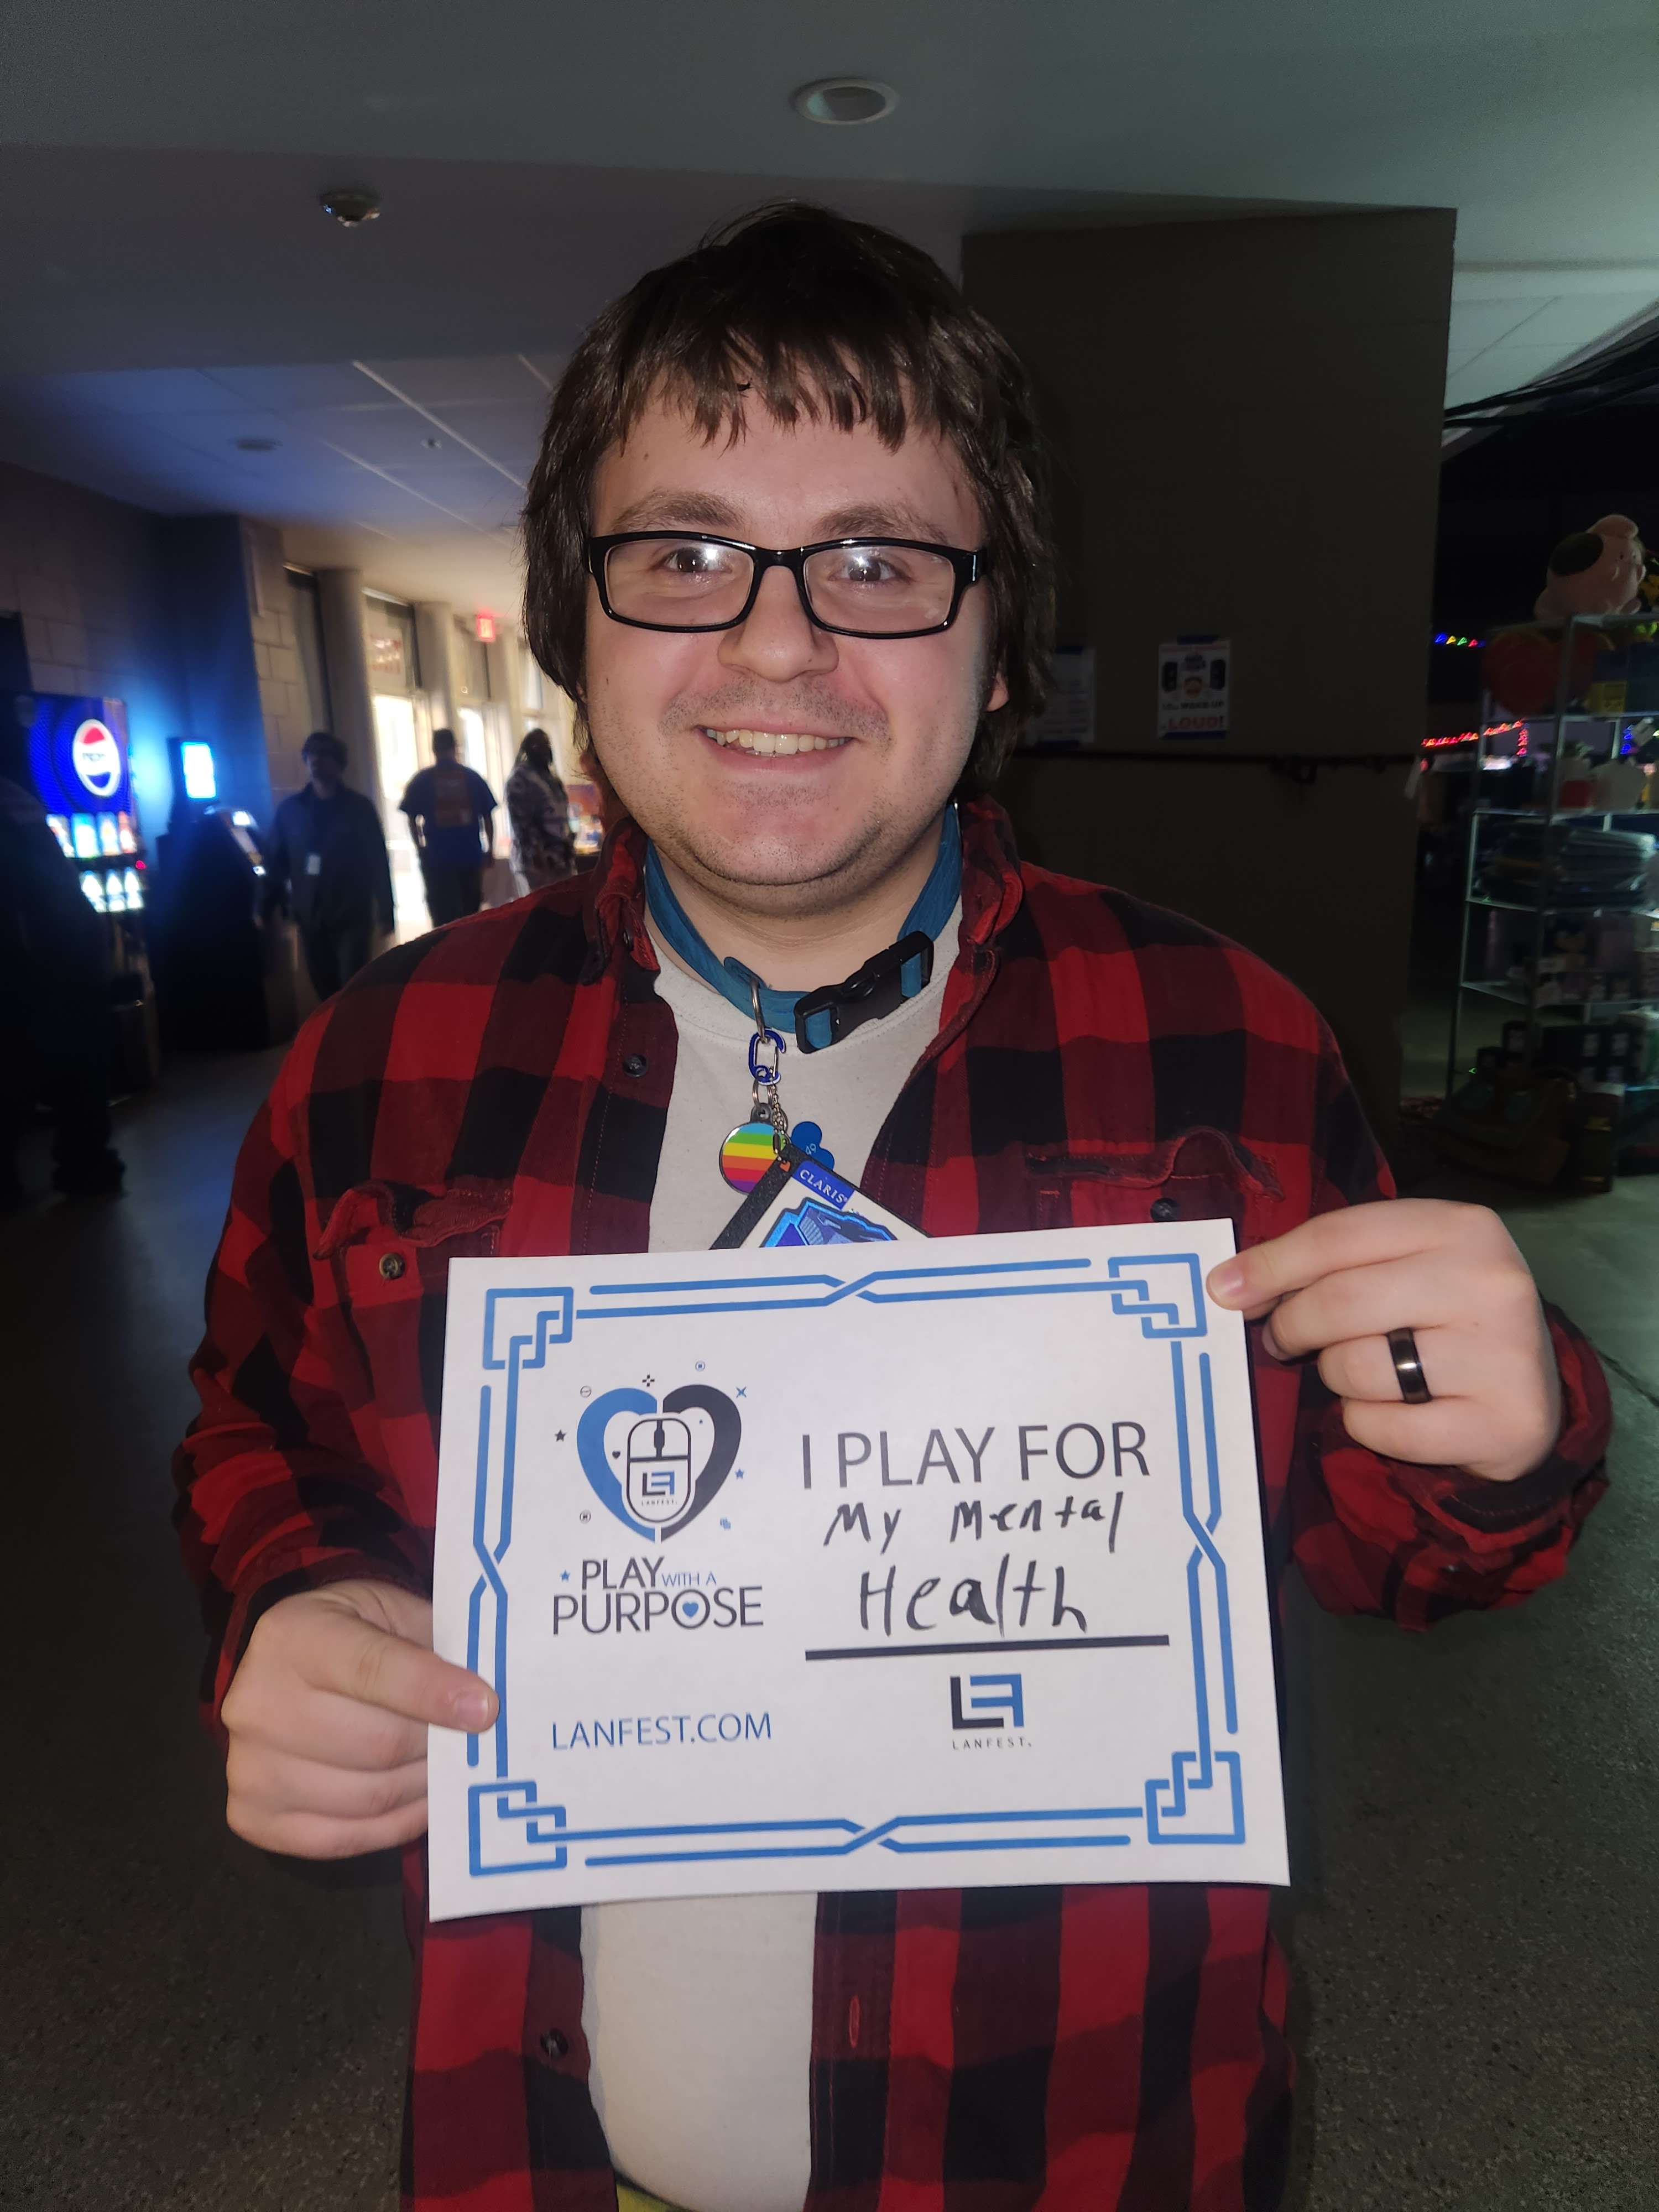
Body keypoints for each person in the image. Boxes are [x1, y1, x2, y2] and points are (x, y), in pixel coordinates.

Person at [175, 207, 1610, 2212]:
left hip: (1089, 2147)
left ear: (1000, 642)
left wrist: (1507, 1428)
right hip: (542, 2151)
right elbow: (260, 1420)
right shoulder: (382, 1057)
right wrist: (295, 1599)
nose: (777, 643)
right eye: (683, 555)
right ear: (575, 622)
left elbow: (1393, 1546)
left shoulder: (1221, 1044)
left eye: (875, 562)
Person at [0, 747, 125, 1206]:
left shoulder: (17, 816)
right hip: (68, 968)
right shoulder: (25, 813)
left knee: (19, 1075)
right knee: (79, 1077)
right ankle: (85, 1164)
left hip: (38, 975)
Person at [264, 732, 394, 1000]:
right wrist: (263, 904)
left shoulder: (359, 809)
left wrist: (386, 909)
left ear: (339, 763)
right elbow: (275, 861)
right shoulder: (291, 811)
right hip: (311, 914)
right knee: (324, 986)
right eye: (311, 755)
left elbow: (377, 860)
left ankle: (352, 1026)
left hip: (351, 913)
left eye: (324, 755)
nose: (316, 761)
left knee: (351, 985)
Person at [399, 727, 497, 924]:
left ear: (434, 749)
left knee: (443, 919)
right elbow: (487, 817)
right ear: (455, 747)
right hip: (469, 856)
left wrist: (420, 847)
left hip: (437, 859)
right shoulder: (472, 778)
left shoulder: (422, 780)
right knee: (470, 916)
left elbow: (411, 817)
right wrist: (490, 850)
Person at [505, 725, 576, 890]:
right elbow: (522, 823)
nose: (544, 749)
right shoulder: (520, 779)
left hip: (560, 858)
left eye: (546, 744)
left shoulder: (550, 778)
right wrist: (536, 854)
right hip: (536, 863)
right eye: (538, 745)